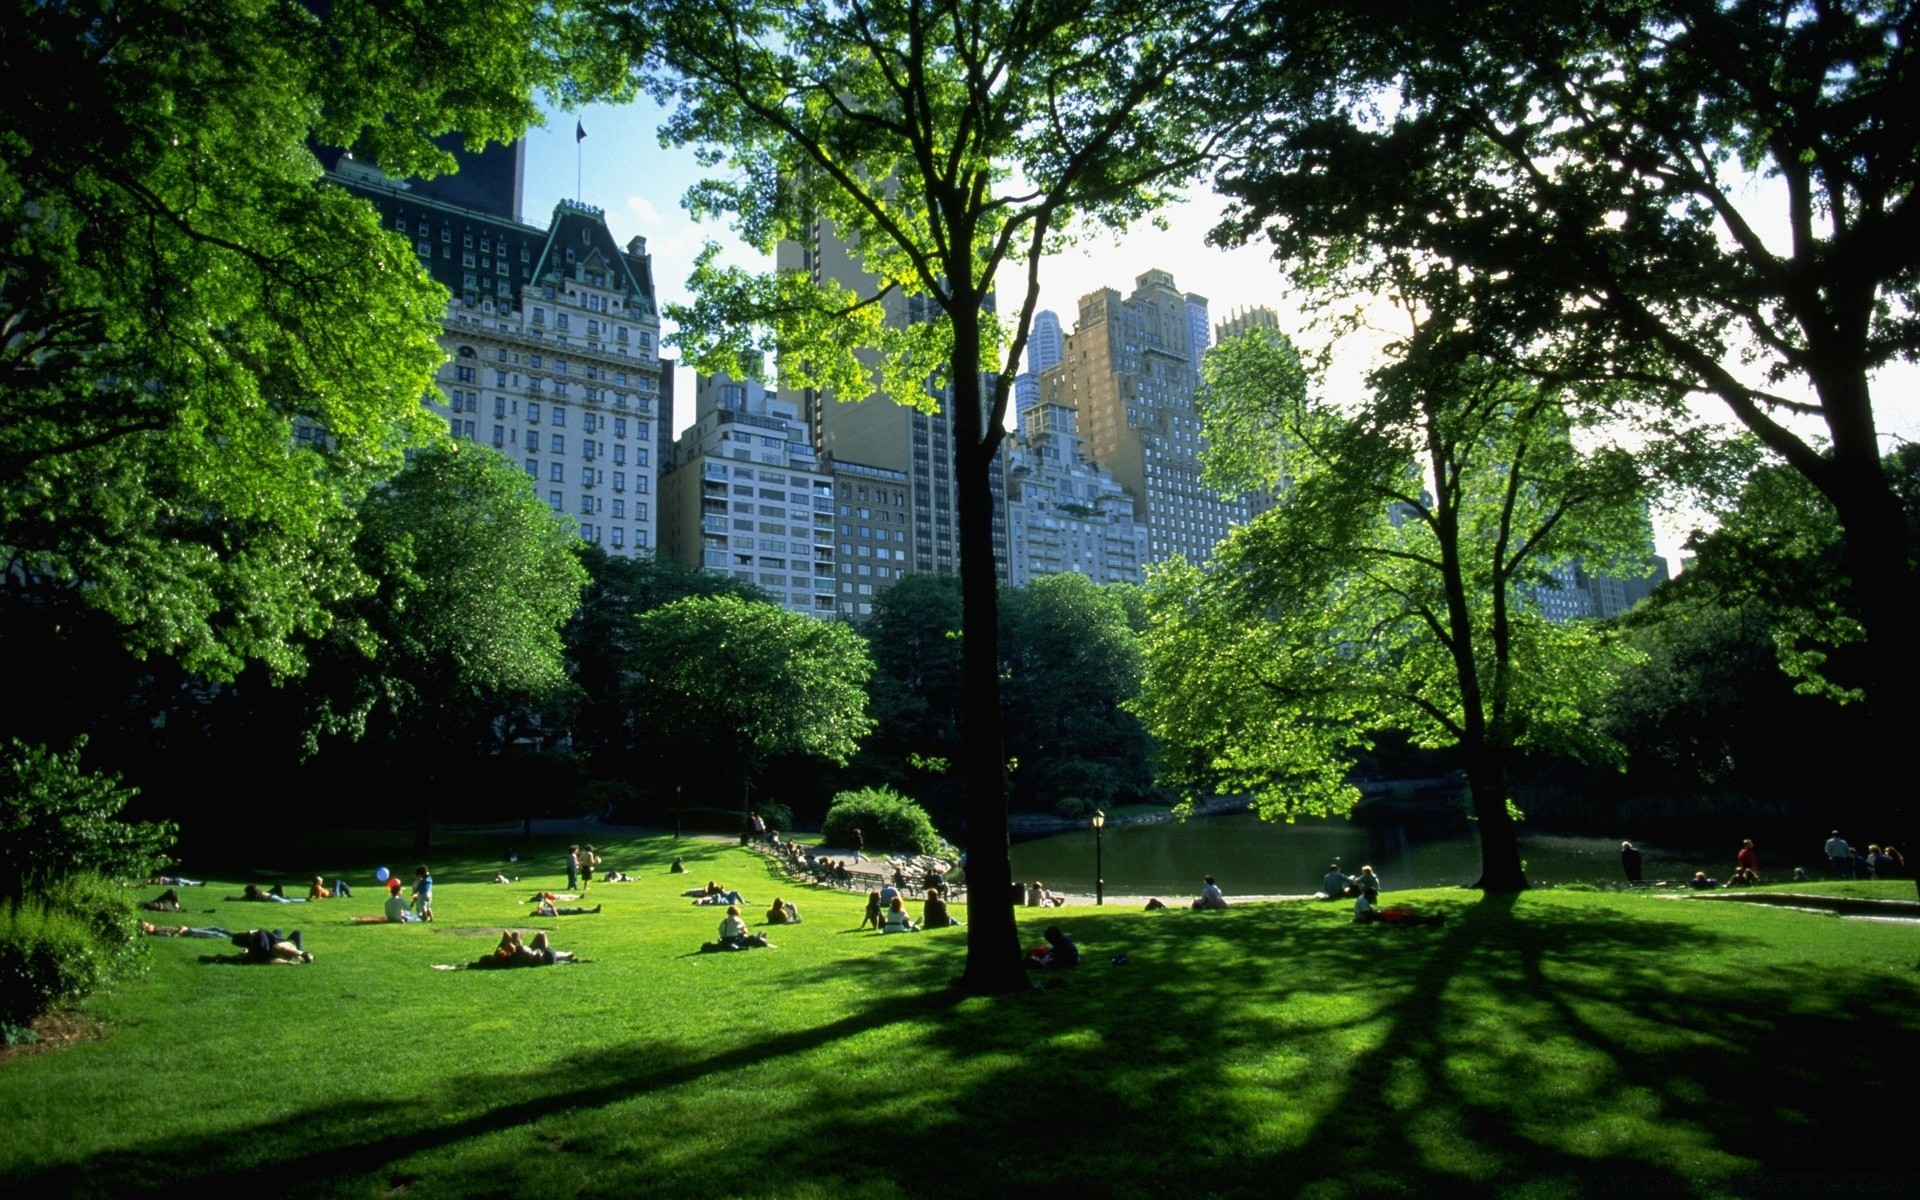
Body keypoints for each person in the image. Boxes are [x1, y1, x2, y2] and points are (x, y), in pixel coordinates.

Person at [231, 928, 312, 964]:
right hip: (282, 945)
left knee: (278, 932)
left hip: (279, 944)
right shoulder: (266, 949)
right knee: (297, 932)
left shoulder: (257, 949)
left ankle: (300, 952)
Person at [140, 921, 233, 939]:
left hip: (188, 929)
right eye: (148, 925)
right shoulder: (158, 932)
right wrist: (181, 930)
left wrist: (180, 927)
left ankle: (233, 935)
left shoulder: (157, 928)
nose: (150, 924)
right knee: (214, 933)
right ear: (148, 929)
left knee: (214, 927)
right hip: (188, 932)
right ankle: (230, 938)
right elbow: (173, 936)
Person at [236, 883, 303, 903]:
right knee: (289, 900)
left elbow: (245, 898)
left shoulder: (255, 894)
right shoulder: (258, 891)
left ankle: (303, 900)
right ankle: (303, 900)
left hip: (272, 898)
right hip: (272, 896)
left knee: (288, 901)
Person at [532, 898, 602, 917]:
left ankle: (593, 910)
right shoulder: (545, 914)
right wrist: (552, 906)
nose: (539, 910)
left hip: (564, 909)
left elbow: (540, 904)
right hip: (564, 912)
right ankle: (593, 911)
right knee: (579, 910)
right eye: (538, 911)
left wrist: (544, 901)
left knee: (579, 909)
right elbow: (556, 915)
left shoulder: (542, 910)